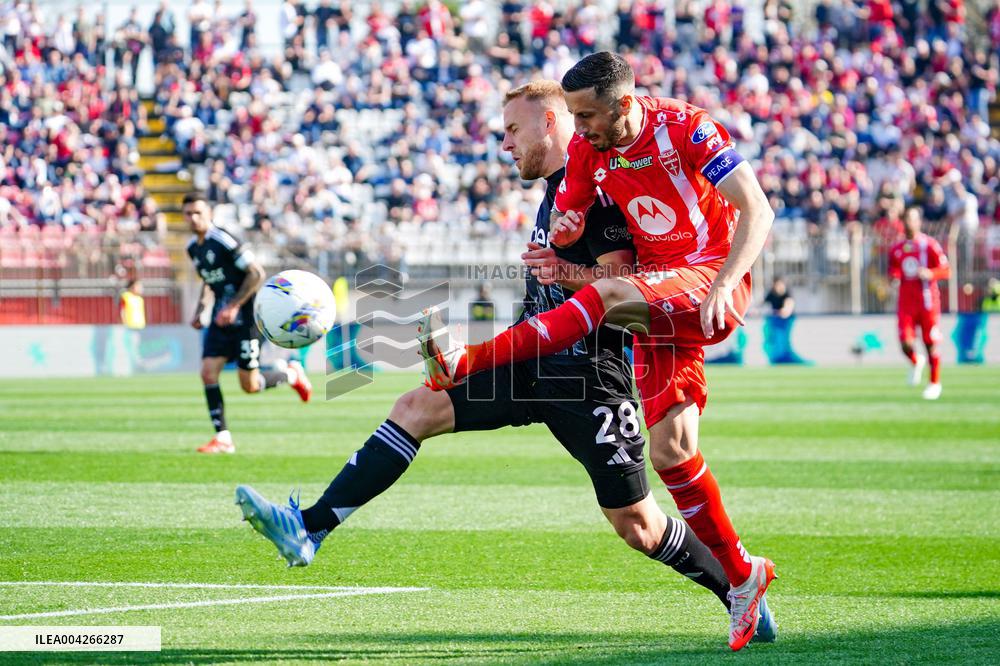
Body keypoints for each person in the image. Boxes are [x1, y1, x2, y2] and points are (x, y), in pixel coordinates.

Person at [233, 81, 775, 642]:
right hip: (531, 358)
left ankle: (737, 591)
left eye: (514, 130)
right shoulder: (556, 192)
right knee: (416, 407)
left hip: (591, 380)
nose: (505, 145)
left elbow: (623, 293)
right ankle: (309, 529)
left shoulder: (601, 189)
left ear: (549, 121)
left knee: (636, 523)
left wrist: (569, 282)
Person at [417, 53, 776, 651]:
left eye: (586, 116)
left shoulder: (688, 128)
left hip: (710, 277)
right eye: (572, 117)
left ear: (624, 104)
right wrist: (561, 234)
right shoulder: (587, 152)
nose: (578, 129)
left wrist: (722, 282)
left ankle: (468, 360)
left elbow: (757, 209)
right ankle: (742, 578)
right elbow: (569, 218)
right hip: (656, 305)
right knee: (672, 451)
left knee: (608, 294)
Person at [184, 192, 312, 454]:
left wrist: (234, 306)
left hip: (246, 319)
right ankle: (223, 438)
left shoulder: (223, 240)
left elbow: (256, 273)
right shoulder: (193, 248)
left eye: (198, 212)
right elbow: (211, 279)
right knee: (208, 372)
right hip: (221, 319)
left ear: (209, 213)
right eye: (188, 214)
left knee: (250, 386)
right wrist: (201, 309)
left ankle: (290, 373)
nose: (193, 218)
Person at [888, 206, 950, 400]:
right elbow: (894, 270)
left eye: (912, 219)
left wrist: (931, 273)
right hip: (906, 303)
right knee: (905, 343)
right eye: (906, 219)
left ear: (919, 222)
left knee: (930, 343)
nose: (909, 223)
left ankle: (934, 383)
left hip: (927, 302)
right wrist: (895, 277)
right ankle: (916, 361)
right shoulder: (897, 248)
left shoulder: (929, 245)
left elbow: (946, 270)